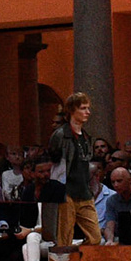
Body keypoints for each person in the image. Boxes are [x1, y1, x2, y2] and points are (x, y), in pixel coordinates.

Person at [48, 92, 101, 252]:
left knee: (95, 238)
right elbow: (54, 163)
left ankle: (75, 258)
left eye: (88, 108)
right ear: (72, 110)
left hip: (84, 192)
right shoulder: (60, 135)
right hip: (67, 192)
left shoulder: (86, 136)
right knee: (64, 238)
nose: (87, 112)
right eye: (83, 108)